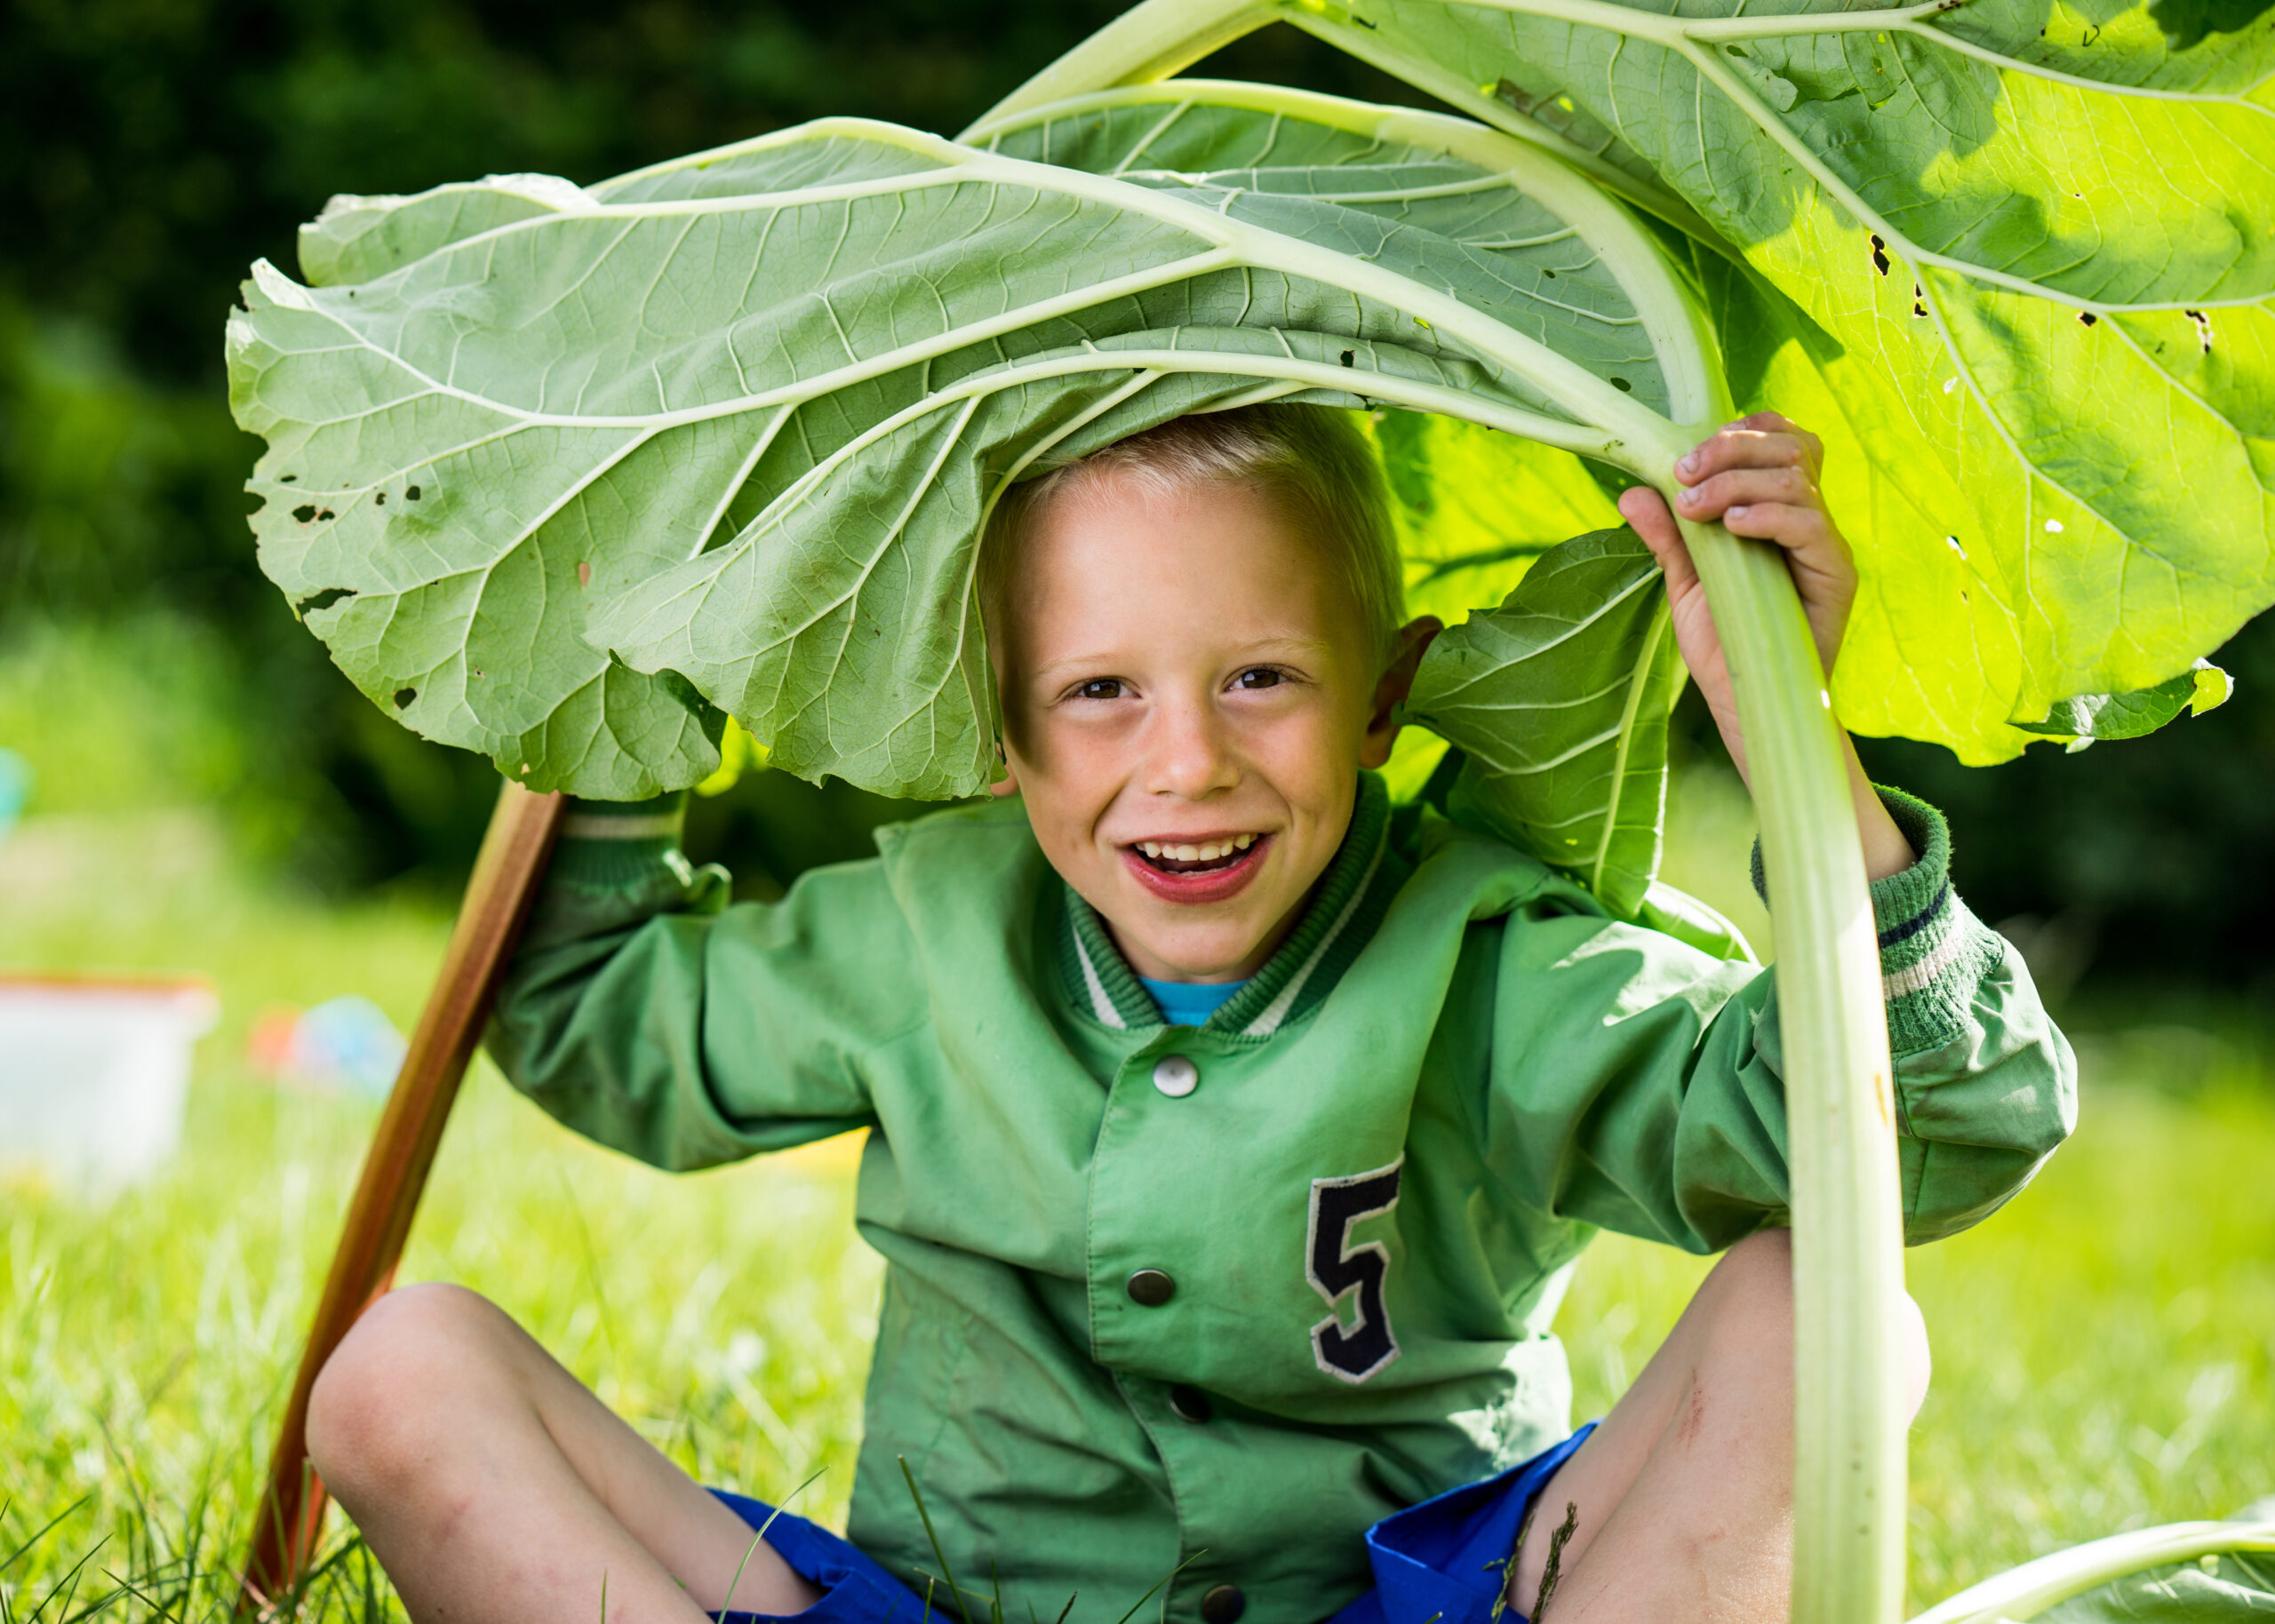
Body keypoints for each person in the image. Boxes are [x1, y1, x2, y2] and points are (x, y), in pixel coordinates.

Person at [303, 407, 2074, 1624]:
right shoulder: (921, 932)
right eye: (1096, 692)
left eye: (1258, 678)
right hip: (949, 1605)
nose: (1185, 763)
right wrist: (623, 652)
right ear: (998, 734)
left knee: (1827, 1310)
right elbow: (602, 1018)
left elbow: (1928, 1127)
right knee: (398, 1373)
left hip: (1406, 1594)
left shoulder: (1490, 956)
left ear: (1381, 698)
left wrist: (1785, 736)